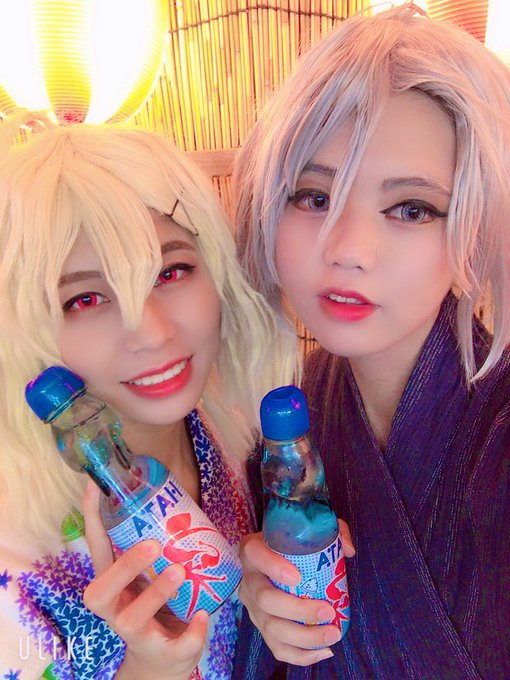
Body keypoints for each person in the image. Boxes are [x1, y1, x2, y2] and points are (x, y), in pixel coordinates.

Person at [233, 4, 510, 678]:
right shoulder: (283, 412)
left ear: (475, 229)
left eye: (411, 208)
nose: (349, 249)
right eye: (313, 197)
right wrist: (257, 601)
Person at [0, 110, 295, 680]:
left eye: (171, 272)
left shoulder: (233, 432)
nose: (154, 333)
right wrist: (149, 669)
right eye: (85, 300)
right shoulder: (16, 555)